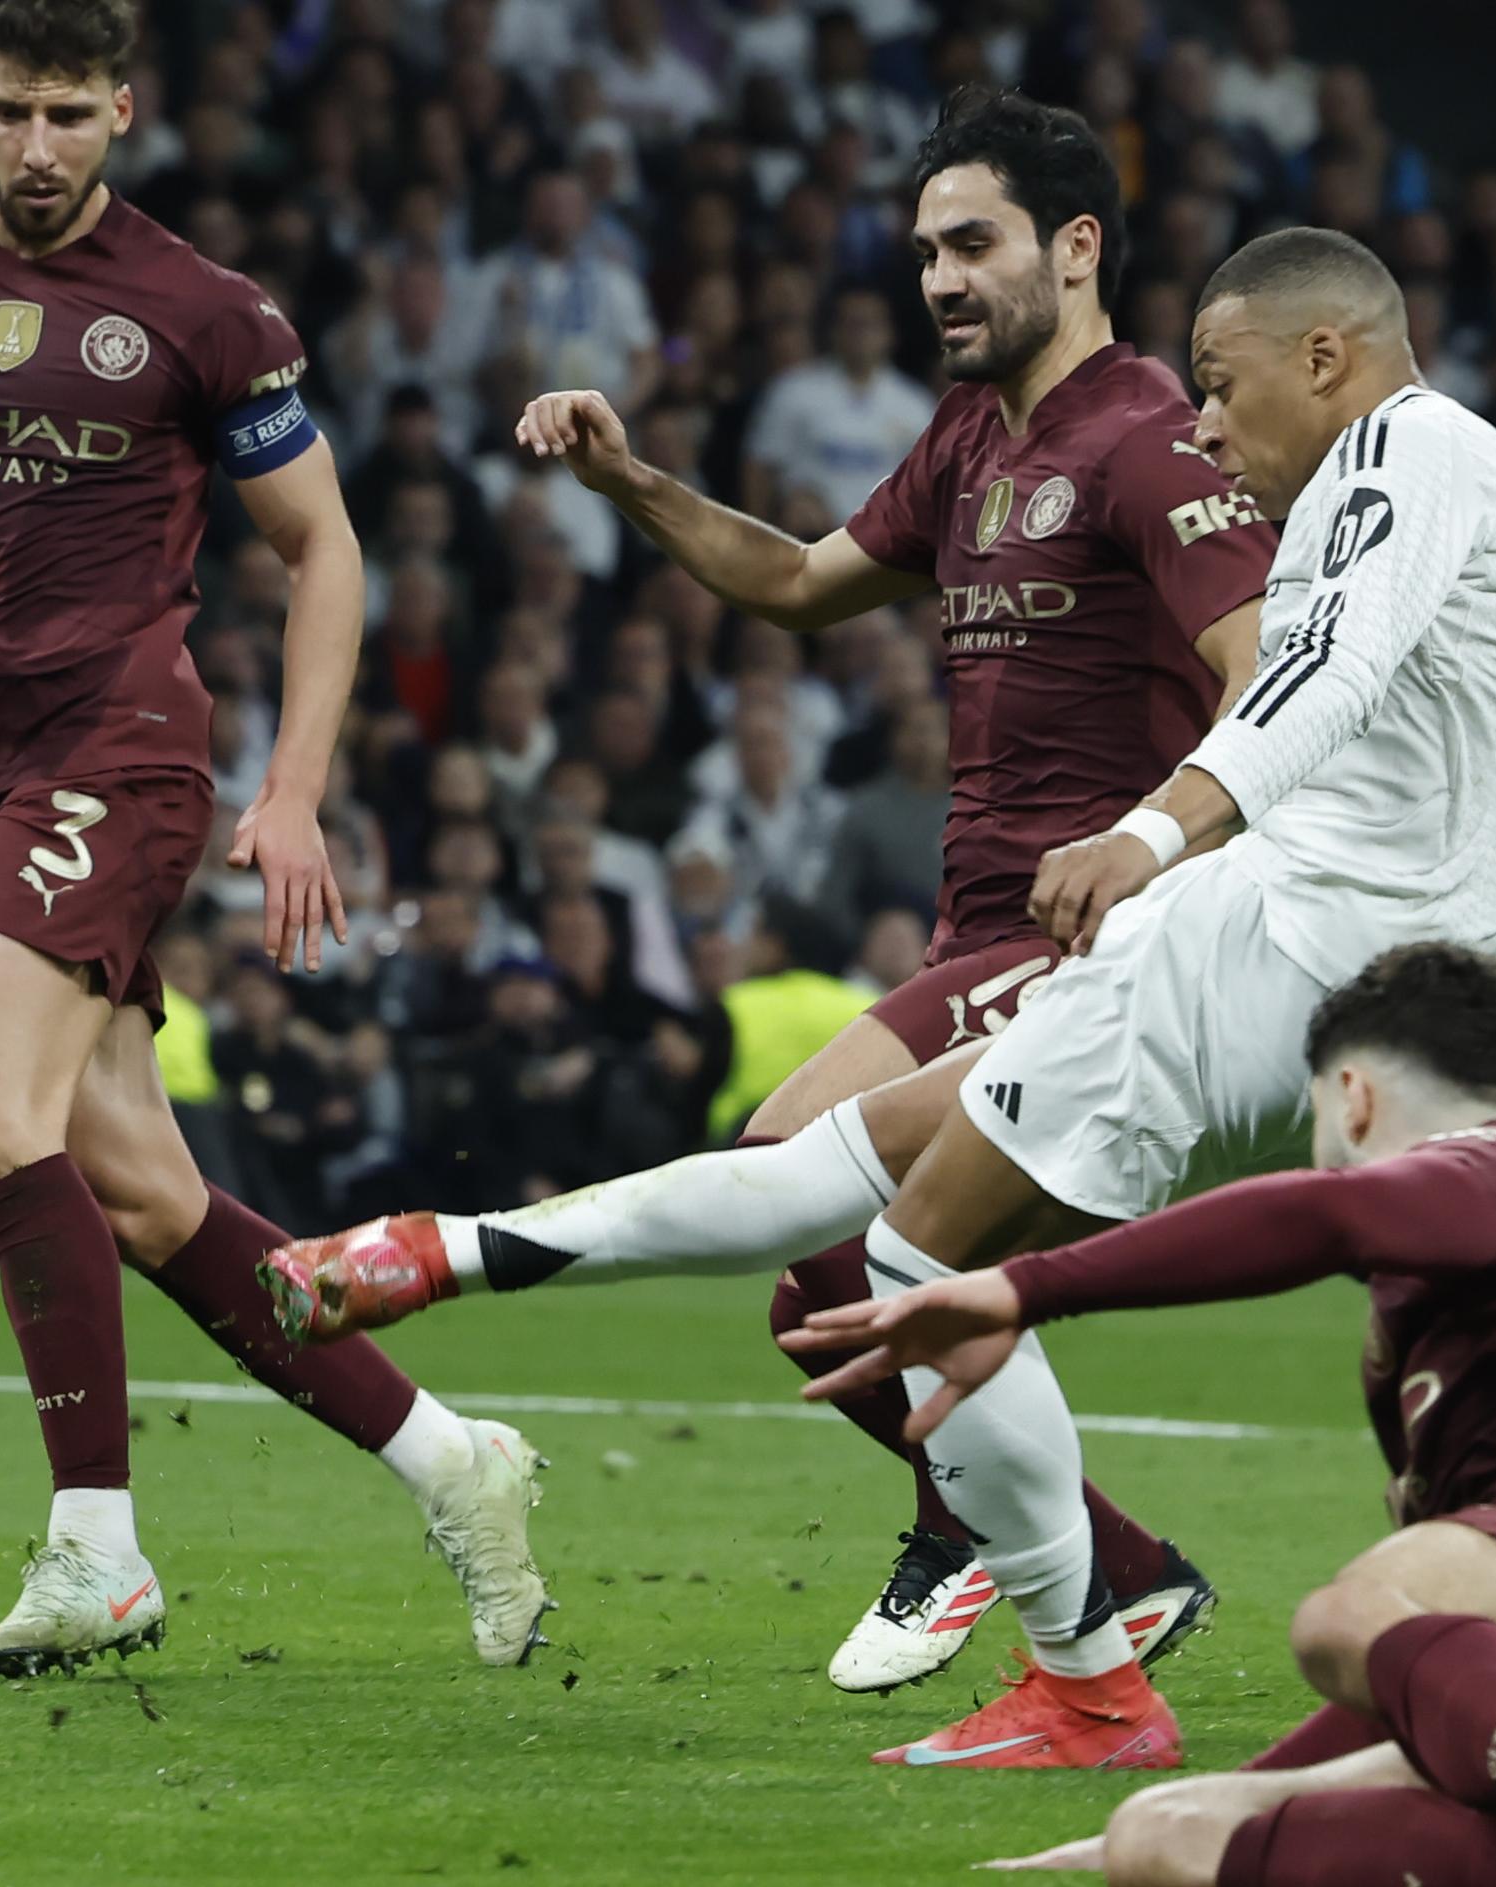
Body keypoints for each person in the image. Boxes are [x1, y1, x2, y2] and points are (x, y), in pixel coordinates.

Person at [275, 225, 1496, 1768]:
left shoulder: (1406, 449)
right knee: (835, 1172)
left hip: (1284, 942)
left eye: (1223, 389)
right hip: (1302, 944)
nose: (1210, 430)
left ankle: (1092, 1670)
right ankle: (449, 1251)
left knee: (913, 1261)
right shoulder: (1456, 484)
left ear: (1326, 357)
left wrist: (1146, 828)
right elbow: (817, 580)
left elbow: (1319, 674)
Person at [0, 0, 548, 1681]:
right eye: (11, 115)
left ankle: (96, 1550)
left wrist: (295, 785)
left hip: (112, 746)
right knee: (136, 1186)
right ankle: (449, 1455)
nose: (39, 148)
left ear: (122, 113)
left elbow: (323, 550)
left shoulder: (202, 313)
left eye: (71, 116)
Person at [481, 86, 1274, 1695]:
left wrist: (1152, 856)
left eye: (972, 244)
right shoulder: (974, 437)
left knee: (793, 1185)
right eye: (923, 252)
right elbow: (792, 583)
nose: (938, 281)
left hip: (1093, 935)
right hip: (976, 926)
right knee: (815, 1286)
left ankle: (1013, 1548)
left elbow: (1267, 691)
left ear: (1077, 245)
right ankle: (1097, 1564)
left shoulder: (1147, 443)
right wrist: (631, 482)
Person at [786, 945, 1496, 1887]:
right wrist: (1242, 1797)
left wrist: (1018, 1289)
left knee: (1348, 1610)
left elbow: (1325, 1220)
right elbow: (1436, 1670)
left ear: (1353, 1096)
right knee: (1161, 1838)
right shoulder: (1464, 1291)